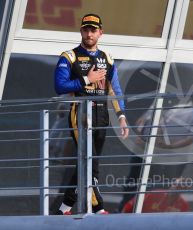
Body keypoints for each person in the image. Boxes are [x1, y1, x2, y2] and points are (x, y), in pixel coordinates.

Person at [54, 13, 129, 215]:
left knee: (90, 160)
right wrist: (87, 79)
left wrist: (121, 116)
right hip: (80, 114)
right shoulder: (69, 56)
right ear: (81, 31)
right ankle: (99, 208)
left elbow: (115, 90)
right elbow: (59, 86)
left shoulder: (107, 58)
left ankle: (64, 208)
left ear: (100, 33)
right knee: (90, 160)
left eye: (93, 30)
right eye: (86, 29)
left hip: (102, 114)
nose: (89, 33)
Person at [117, 96, 193, 212]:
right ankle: (149, 210)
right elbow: (189, 139)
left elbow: (142, 123)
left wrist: (142, 138)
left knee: (136, 180)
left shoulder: (172, 109)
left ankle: (124, 209)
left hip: (146, 149)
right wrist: (167, 146)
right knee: (158, 185)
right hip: (167, 156)